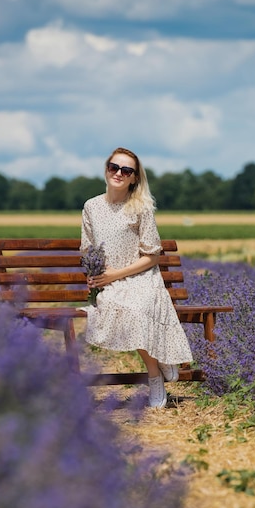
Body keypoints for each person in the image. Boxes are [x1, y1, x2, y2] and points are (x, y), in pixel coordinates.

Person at [80, 146, 193, 408]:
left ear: (134, 178)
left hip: (141, 276)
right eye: (114, 167)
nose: (118, 173)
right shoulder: (91, 207)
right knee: (115, 305)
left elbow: (152, 256)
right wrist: (94, 276)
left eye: (126, 170)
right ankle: (158, 366)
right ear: (106, 169)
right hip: (109, 281)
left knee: (137, 307)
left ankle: (154, 374)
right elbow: (88, 248)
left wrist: (114, 275)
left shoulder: (140, 207)